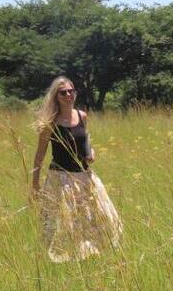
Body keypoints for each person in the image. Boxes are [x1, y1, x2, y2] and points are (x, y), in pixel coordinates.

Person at [31, 76, 122, 263]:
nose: (68, 95)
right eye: (63, 92)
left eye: (71, 91)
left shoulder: (82, 116)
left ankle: (89, 257)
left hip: (84, 176)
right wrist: (35, 184)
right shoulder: (51, 123)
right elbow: (39, 155)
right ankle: (62, 260)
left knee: (99, 217)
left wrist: (91, 153)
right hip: (61, 179)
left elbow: (85, 140)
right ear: (56, 96)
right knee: (64, 223)